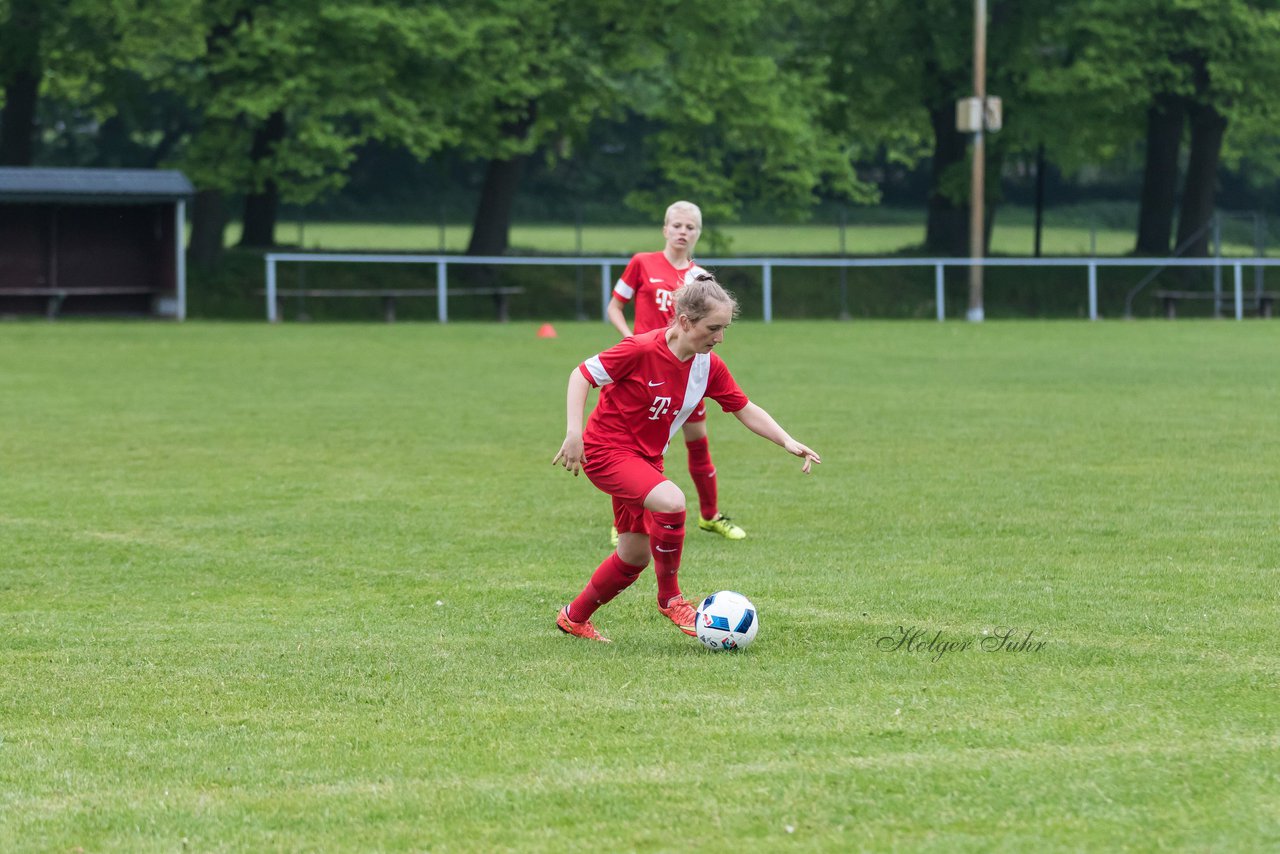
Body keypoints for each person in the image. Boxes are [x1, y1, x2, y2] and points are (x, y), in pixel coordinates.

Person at [552, 273, 821, 643]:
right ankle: (671, 600)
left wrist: (787, 440)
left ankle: (574, 617)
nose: (720, 337)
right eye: (714, 327)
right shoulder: (639, 349)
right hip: (605, 451)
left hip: (647, 461)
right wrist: (573, 432)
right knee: (672, 501)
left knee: (633, 556)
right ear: (684, 321)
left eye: (725, 328)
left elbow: (744, 408)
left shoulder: (708, 366)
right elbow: (581, 375)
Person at [605, 200, 745, 543]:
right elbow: (614, 306)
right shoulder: (641, 263)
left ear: (698, 233)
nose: (683, 232)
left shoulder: (699, 278)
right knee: (636, 446)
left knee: (697, 441)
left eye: (690, 227)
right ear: (665, 229)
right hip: (645, 367)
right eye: (677, 226)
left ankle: (710, 515)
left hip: (684, 372)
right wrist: (630, 339)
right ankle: (625, 521)